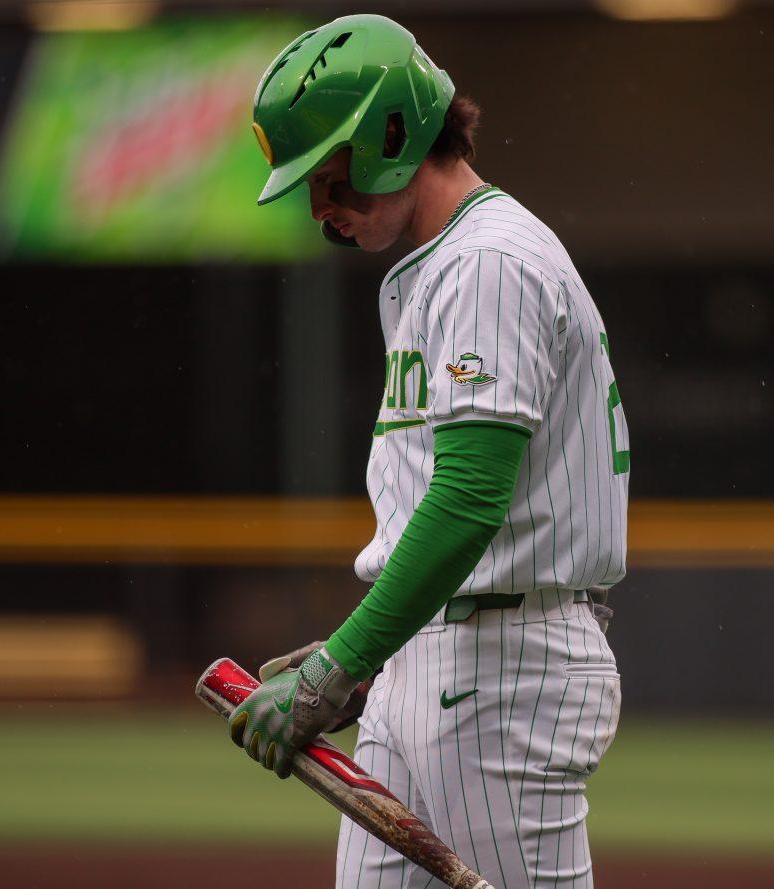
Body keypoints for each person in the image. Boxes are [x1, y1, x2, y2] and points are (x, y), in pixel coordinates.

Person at [230, 13, 630, 888]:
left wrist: (341, 662)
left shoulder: (489, 263)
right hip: (442, 658)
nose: (322, 210)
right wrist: (380, 657)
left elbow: (469, 500)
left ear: (393, 133)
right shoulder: (437, 269)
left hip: (503, 670)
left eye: (329, 180)